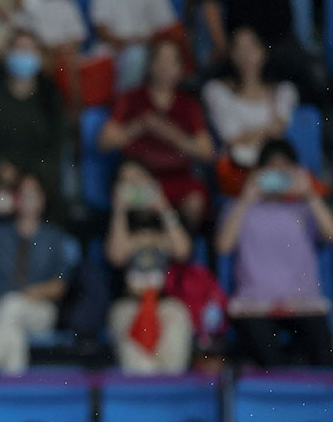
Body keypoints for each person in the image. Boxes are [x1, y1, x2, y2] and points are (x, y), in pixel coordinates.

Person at [215, 139, 333, 367]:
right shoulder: (238, 207)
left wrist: (310, 194)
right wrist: (246, 197)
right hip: (253, 306)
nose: (278, 176)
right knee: (271, 365)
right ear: (258, 173)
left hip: (303, 304)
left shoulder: (305, 208)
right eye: (272, 170)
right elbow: (223, 246)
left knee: (324, 361)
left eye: (285, 170)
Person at [0, 174, 76, 374]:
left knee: (11, 307)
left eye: (32, 193)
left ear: (42, 200)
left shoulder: (53, 237)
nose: (27, 198)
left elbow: (60, 285)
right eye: (22, 194)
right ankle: (10, 398)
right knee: (13, 334)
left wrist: (28, 294)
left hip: (39, 311)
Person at [99, 39, 214, 228]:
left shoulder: (188, 104)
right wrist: (140, 125)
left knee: (196, 201)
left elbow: (206, 151)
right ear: (150, 64)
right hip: (140, 178)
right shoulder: (131, 98)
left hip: (178, 178)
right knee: (132, 195)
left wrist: (170, 134)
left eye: (171, 62)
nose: (164, 67)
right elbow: (105, 141)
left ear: (180, 69)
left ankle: (182, 252)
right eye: (160, 60)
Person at [0, 30, 65, 222]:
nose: (23, 55)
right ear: (8, 54)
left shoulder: (50, 99)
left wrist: (32, 178)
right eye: (18, 49)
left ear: (39, 56)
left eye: (29, 50)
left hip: (41, 182)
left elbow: (56, 147)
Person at [105, 161, 194, 374]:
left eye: (138, 178)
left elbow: (183, 251)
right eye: (126, 181)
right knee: (133, 346)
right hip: (129, 304)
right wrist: (119, 211)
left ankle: (170, 395)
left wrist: (164, 209)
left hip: (165, 302)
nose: (133, 184)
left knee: (178, 320)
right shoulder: (116, 221)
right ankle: (145, 401)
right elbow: (116, 256)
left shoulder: (167, 218)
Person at [202, 27, 299, 198]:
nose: (246, 55)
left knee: (303, 184)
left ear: (263, 52)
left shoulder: (283, 91)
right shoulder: (216, 91)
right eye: (239, 48)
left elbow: (278, 131)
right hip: (237, 172)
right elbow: (232, 139)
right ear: (231, 54)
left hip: (272, 171)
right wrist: (267, 131)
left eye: (251, 47)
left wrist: (249, 136)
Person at [90, 0, 179, 91]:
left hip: (146, 47)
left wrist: (143, 40)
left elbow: (166, 27)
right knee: (98, 55)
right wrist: (124, 42)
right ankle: (104, 102)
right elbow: (100, 28)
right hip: (114, 45)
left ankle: (125, 100)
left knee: (135, 56)